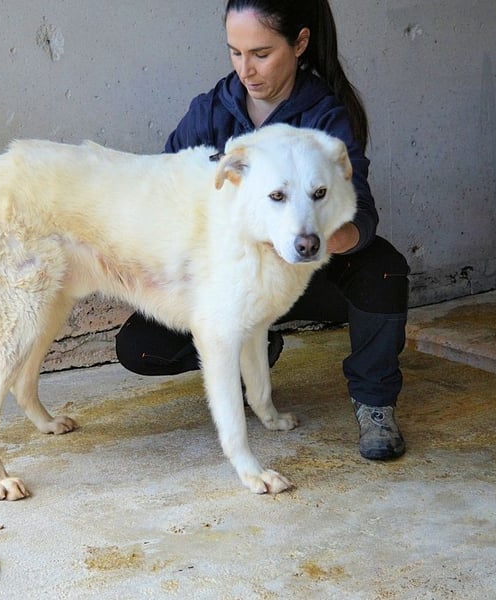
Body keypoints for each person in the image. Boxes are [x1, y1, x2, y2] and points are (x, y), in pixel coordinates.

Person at [116, 0, 410, 460]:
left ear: (300, 43)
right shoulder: (211, 110)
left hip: (307, 277)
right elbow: (162, 186)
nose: (246, 69)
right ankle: (256, 344)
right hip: (231, 279)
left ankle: (375, 404)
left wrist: (312, 238)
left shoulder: (326, 118)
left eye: (260, 53)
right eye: (235, 52)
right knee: (140, 347)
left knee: (384, 270)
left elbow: (363, 215)